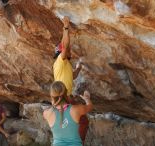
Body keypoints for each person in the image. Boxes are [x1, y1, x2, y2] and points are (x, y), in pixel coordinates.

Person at [53, 16, 89, 144]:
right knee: (81, 120)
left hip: (66, 97)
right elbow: (65, 45)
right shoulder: (60, 61)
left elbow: (71, 76)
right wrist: (66, 27)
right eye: (67, 50)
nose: (69, 51)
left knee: (77, 121)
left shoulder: (65, 64)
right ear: (61, 52)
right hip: (64, 98)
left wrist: (78, 69)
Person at [43, 81, 93, 146]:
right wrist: (87, 99)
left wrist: (54, 103)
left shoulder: (47, 113)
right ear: (66, 93)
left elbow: (53, 108)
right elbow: (90, 107)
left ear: (51, 96)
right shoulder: (76, 109)